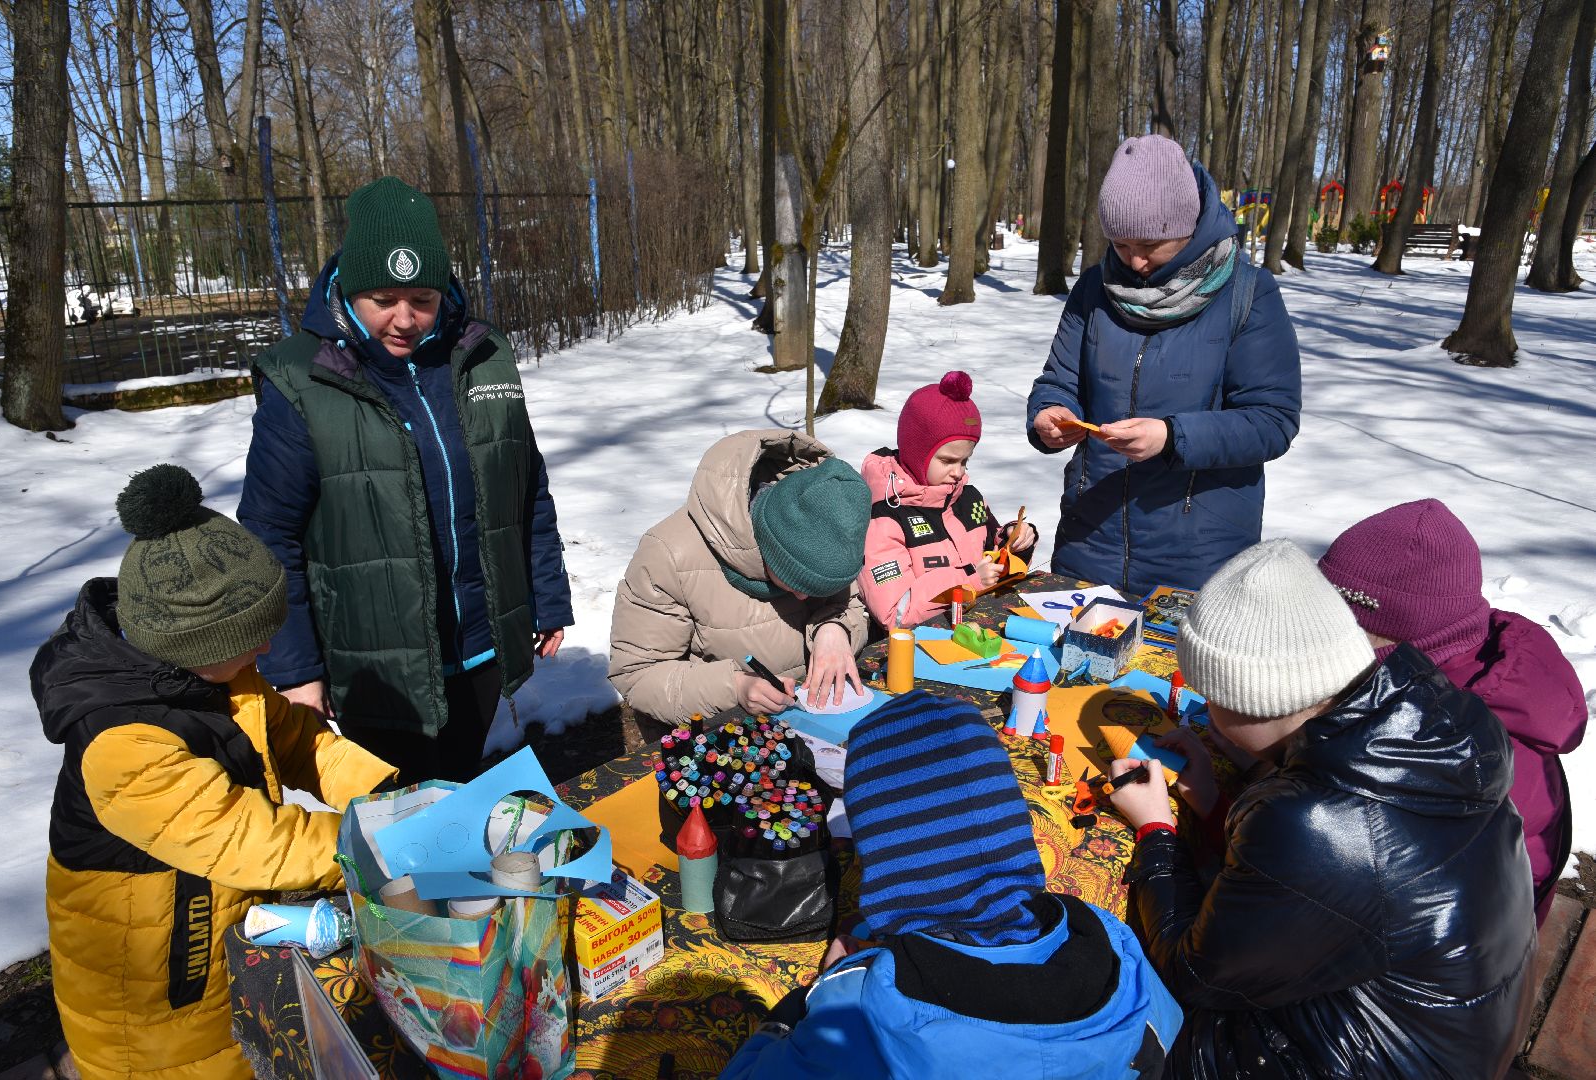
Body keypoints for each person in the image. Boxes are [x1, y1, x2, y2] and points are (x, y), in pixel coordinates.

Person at [1111, 539, 1535, 1079]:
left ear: (1254, 698)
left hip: (1354, 1061)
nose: (1207, 715)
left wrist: (1156, 832)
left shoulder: (1314, 823)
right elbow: (1339, 885)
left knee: (1104, 1015)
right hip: (1453, 1041)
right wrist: (1220, 796)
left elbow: (1193, 972)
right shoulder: (1442, 731)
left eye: (1211, 697)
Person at [37, 464, 397, 1080]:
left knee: (248, 1049)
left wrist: (385, 793)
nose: (266, 650)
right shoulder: (122, 742)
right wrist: (381, 841)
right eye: (252, 638)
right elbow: (250, 840)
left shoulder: (217, 675)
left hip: (217, 927)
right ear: (195, 646)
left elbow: (297, 740)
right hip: (154, 979)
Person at [239, 177, 572, 784]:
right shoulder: (302, 379)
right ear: (349, 291)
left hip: (480, 644)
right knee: (404, 809)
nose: (405, 319)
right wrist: (296, 669)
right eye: (383, 298)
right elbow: (269, 536)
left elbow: (526, 486)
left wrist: (546, 596)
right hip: (375, 664)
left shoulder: (483, 355)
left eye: (422, 298)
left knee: (461, 784)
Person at [720, 692, 1182, 1079]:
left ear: (884, 862)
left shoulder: (858, 1011)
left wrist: (813, 994)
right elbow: (1167, 1032)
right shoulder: (1114, 943)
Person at [1026, 135, 1301, 593]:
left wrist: (1173, 437)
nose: (1135, 260)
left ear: (1188, 227)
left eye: (1151, 244)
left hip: (1199, 556)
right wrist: (1049, 413)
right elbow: (1060, 379)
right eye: (1120, 244)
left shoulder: (1247, 293)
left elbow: (1272, 420)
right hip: (1089, 539)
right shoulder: (1094, 288)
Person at [1318, 498, 1588, 926]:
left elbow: (1343, 889)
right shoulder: (1435, 674)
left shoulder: (1462, 749)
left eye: (1331, 621)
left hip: (1459, 939)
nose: (1316, 636)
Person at [608, 429, 871, 724]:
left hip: (807, 722)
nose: (803, 597)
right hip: (716, 731)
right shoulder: (670, 554)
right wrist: (733, 687)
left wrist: (835, 628)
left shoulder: (829, 524)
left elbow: (849, 603)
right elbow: (638, 674)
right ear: (770, 548)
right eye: (797, 583)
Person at [858, 371, 1037, 628]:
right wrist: (968, 580)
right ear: (917, 454)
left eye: (965, 461)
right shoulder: (886, 516)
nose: (958, 472)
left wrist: (1014, 540)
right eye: (947, 461)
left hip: (977, 632)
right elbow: (895, 612)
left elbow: (994, 557)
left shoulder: (968, 498)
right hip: (920, 645)